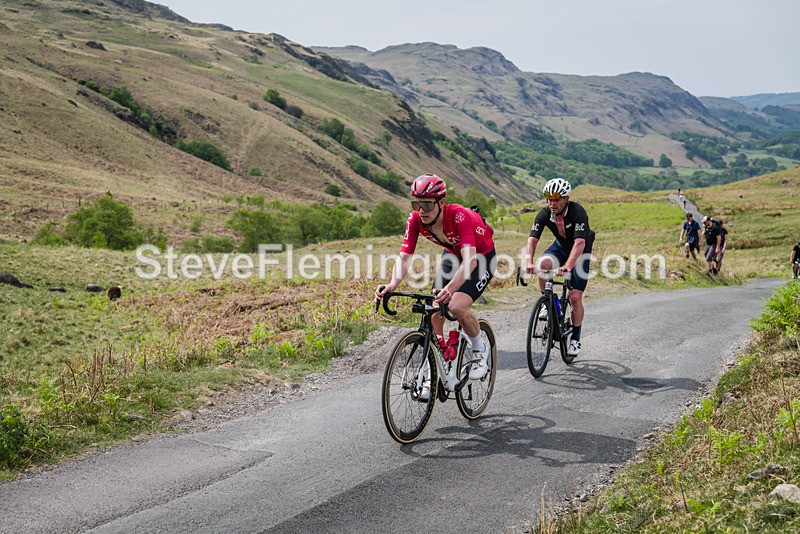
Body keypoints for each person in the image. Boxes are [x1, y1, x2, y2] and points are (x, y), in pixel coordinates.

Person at [375, 173, 496, 385]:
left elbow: (470, 262)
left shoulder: (459, 216)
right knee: (434, 311)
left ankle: (480, 350)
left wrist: (451, 289)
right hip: (452, 252)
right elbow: (404, 257)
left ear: (441, 202)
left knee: (457, 306)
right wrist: (393, 284)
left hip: (481, 257)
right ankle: (437, 365)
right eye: (417, 204)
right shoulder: (415, 219)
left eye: (427, 205)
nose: (421, 211)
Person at [525, 178, 595, 357]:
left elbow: (579, 243)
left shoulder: (577, 212)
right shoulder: (545, 213)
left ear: (566, 199)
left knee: (575, 297)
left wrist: (567, 267)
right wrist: (529, 261)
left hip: (581, 250)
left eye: (556, 199)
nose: (552, 203)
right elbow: (533, 239)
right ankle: (548, 302)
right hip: (562, 246)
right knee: (543, 265)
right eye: (549, 199)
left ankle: (576, 339)